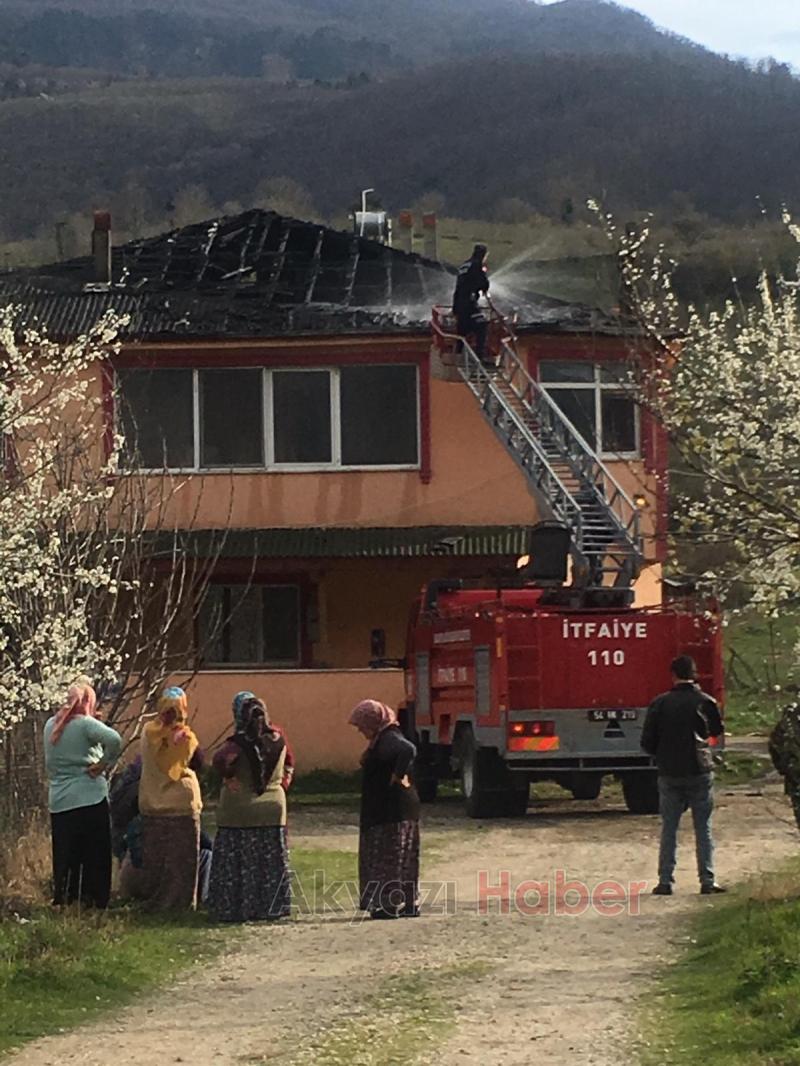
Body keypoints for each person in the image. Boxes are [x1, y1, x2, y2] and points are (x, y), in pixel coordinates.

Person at [640, 655, 725, 896]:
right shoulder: (705, 702)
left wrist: (661, 754)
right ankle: (707, 880)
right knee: (703, 827)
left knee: (669, 828)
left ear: (673, 675)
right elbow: (716, 731)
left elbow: (647, 742)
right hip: (699, 771)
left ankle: (665, 881)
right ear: (695, 674)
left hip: (669, 773)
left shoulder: (659, 704)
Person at [207, 692, 294, 922]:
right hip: (273, 809)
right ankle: (271, 906)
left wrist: (228, 777)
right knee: (269, 862)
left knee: (238, 861)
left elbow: (218, 761)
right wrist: (280, 785)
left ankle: (234, 906)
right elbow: (289, 765)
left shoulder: (236, 744)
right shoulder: (279, 738)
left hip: (239, 810)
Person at [44, 680, 122, 909]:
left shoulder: (50, 725)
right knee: (94, 852)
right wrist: (103, 764)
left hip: (59, 800)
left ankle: (66, 898)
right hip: (89, 797)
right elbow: (115, 740)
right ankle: (94, 899)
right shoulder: (85, 724)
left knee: (66, 853)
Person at [349, 699, 421, 919]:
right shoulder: (385, 737)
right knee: (403, 856)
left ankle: (387, 905)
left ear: (373, 721)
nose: (360, 730)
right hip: (402, 808)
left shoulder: (388, 739)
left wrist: (397, 775)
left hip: (389, 811)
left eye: (362, 724)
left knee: (387, 856)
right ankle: (409, 903)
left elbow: (408, 750)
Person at [111, 755, 213, 903]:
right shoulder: (170, 797)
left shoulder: (131, 784)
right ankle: (200, 900)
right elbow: (201, 839)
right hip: (155, 874)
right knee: (205, 854)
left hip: (128, 865)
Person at [138, 686, 202, 910]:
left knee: (156, 859)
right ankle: (181, 904)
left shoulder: (148, 731)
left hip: (151, 801)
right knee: (181, 862)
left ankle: (154, 901)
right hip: (181, 804)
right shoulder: (186, 738)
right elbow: (198, 764)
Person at [452, 243, 492, 365]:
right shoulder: (477, 264)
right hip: (469, 302)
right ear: (483, 255)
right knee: (482, 325)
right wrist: (484, 287)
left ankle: (457, 354)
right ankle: (480, 356)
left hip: (459, 302)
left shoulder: (464, 265)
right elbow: (481, 281)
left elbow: (462, 283)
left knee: (462, 329)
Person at [768, 699, 800, 828]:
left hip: (795, 777)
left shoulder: (786, 722)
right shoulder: (786, 723)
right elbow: (774, 745)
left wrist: (783, 768)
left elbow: (774, 746)